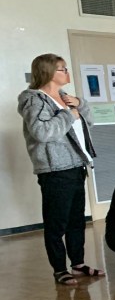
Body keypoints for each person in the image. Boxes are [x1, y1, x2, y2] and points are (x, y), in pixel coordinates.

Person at [19, 53, 103, 286]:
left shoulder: (66, 97)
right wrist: (67, 114)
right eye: (62, 69)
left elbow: (88, 123)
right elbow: (42, 132)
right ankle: (59, 269)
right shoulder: (35, 100)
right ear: (47, 72)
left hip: (76, 165)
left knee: (77, 220)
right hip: (55, 169)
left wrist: (81, 105)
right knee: (57, 223)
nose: (67, 72)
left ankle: (78, 263)